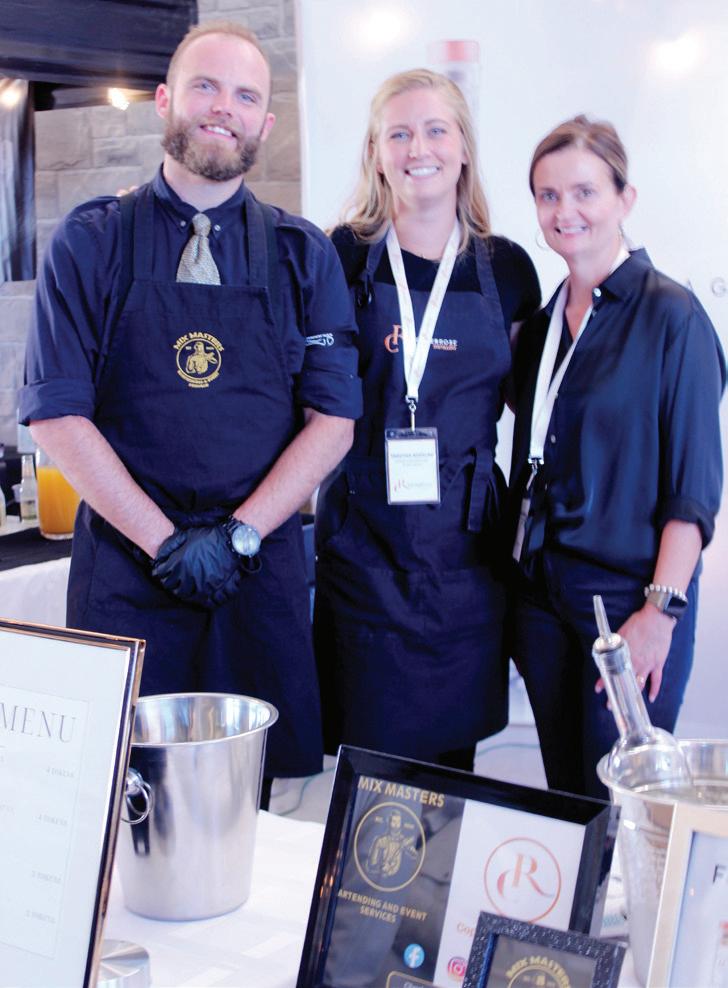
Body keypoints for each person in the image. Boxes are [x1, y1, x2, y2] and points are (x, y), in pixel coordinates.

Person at [19, 21, 362, 786]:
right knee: (127, 799)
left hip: (257, 576)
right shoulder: (90, 242)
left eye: (244, 95)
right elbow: (56, 415)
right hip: (128, 579)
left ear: (264, 124)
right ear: (165, 99)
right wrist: (165, 544)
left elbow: (333, 422)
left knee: (264, 805)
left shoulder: (304, 254)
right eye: (204, 86)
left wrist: (238, 537)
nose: (222, 107)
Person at [314, 69, 541, 771]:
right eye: (400, 134)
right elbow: (306, 395)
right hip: (364, 547)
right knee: (369, 781)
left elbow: (531, 405)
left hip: (466, 555)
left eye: (436, 130)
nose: (420, 148)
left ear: (464, 147)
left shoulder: (507, 269)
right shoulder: (341, 255)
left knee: (452, 778)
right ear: (376, 152)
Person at [509, 115, 725, 798]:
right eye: (548, 196)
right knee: (570, 804)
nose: (564, 211)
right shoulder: (541, 327)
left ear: (624, 199)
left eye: (584, 192)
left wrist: (659, 615)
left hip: (629, 603)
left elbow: (694, 491)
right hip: (542, 599)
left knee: (626, 806)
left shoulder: (673, 318)